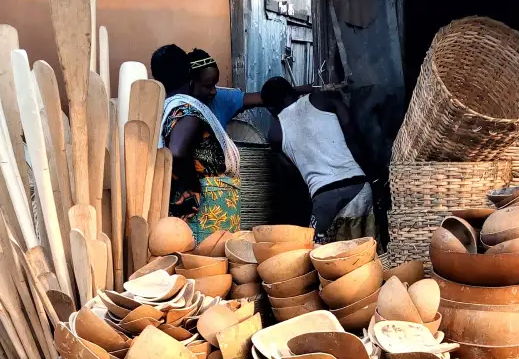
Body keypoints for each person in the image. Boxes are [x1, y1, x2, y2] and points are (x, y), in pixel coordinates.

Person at [260, 77, 376, 243]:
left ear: (270, 108)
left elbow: (292, 177)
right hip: (359, 187)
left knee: (322, 258)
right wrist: (372, 178)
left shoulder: (276, 133)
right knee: (366, 253)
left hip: (324, 199)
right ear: (292, 92)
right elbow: (353, 137)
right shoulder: (323, 100)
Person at [150, 44, 240, 242]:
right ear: (189, 72)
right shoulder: (187, 111)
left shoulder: (167, 109)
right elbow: (177, 152)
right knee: (209, 265)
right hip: (208, 210)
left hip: (204, 209)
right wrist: (194, 188)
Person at [186, 49, 318, 128]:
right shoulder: (179, 110)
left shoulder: (221, 98)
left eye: (215, 85)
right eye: (208, 86)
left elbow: (269, 96)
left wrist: (313, 88)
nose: (214, 91)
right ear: (191, 82)